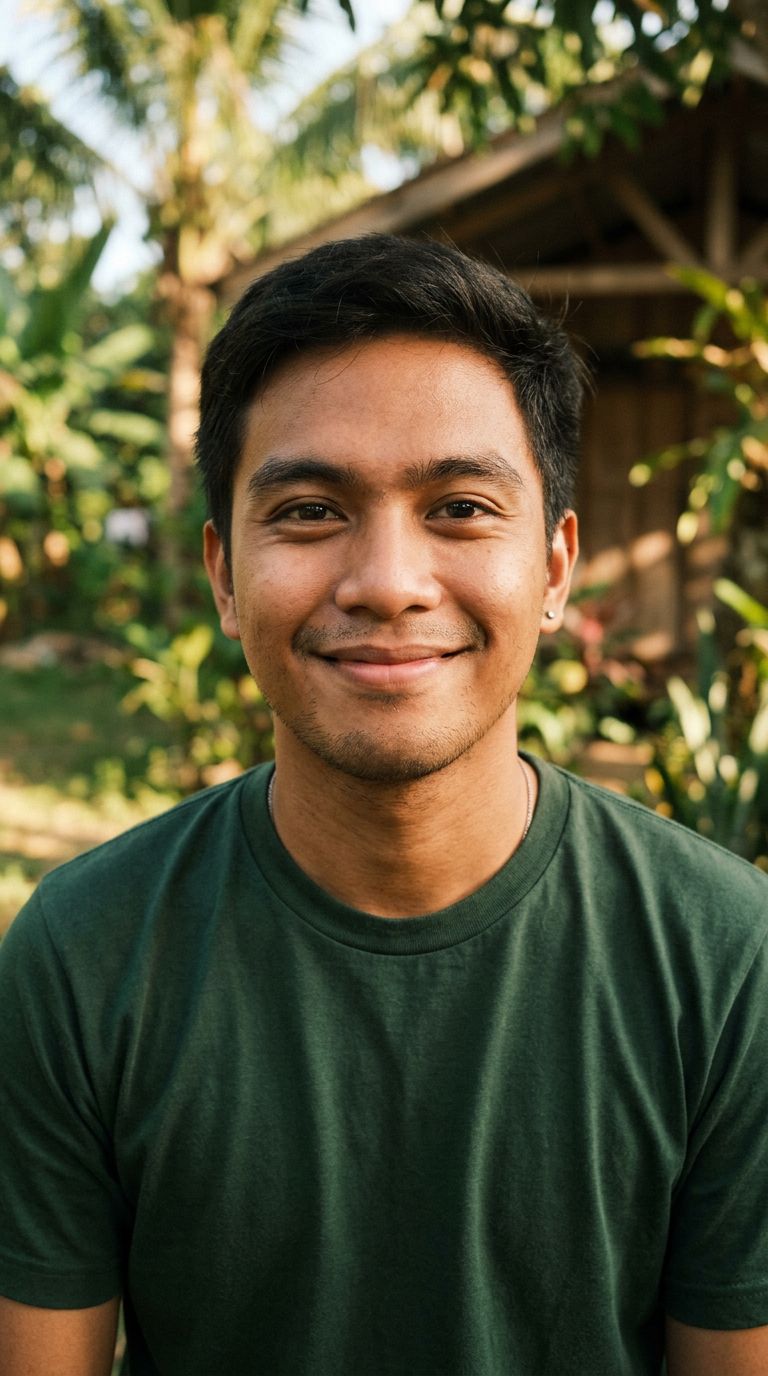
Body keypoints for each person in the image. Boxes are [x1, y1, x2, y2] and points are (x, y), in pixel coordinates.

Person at [1, 234, 767, 1376]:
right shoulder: (85, 951)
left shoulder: (722, 951)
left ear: (555, 568)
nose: (389, 581)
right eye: (309, 511)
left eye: (460, 505)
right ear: (222, 571)